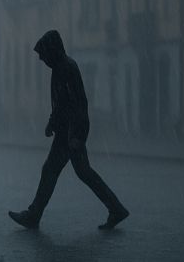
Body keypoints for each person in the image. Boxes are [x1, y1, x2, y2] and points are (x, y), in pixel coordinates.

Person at [8, 30, 129, 230]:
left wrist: (76, 136)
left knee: (70, 172)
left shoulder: (66, 68)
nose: (41, 59)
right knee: (73, 172)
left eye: (43, 54)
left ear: (52, 51)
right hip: (67, 132)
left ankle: (35, 214)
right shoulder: (60, 68)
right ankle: (115, 209)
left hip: (71, 133)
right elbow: (61, 103)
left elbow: (78, 104)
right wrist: (52, 123)